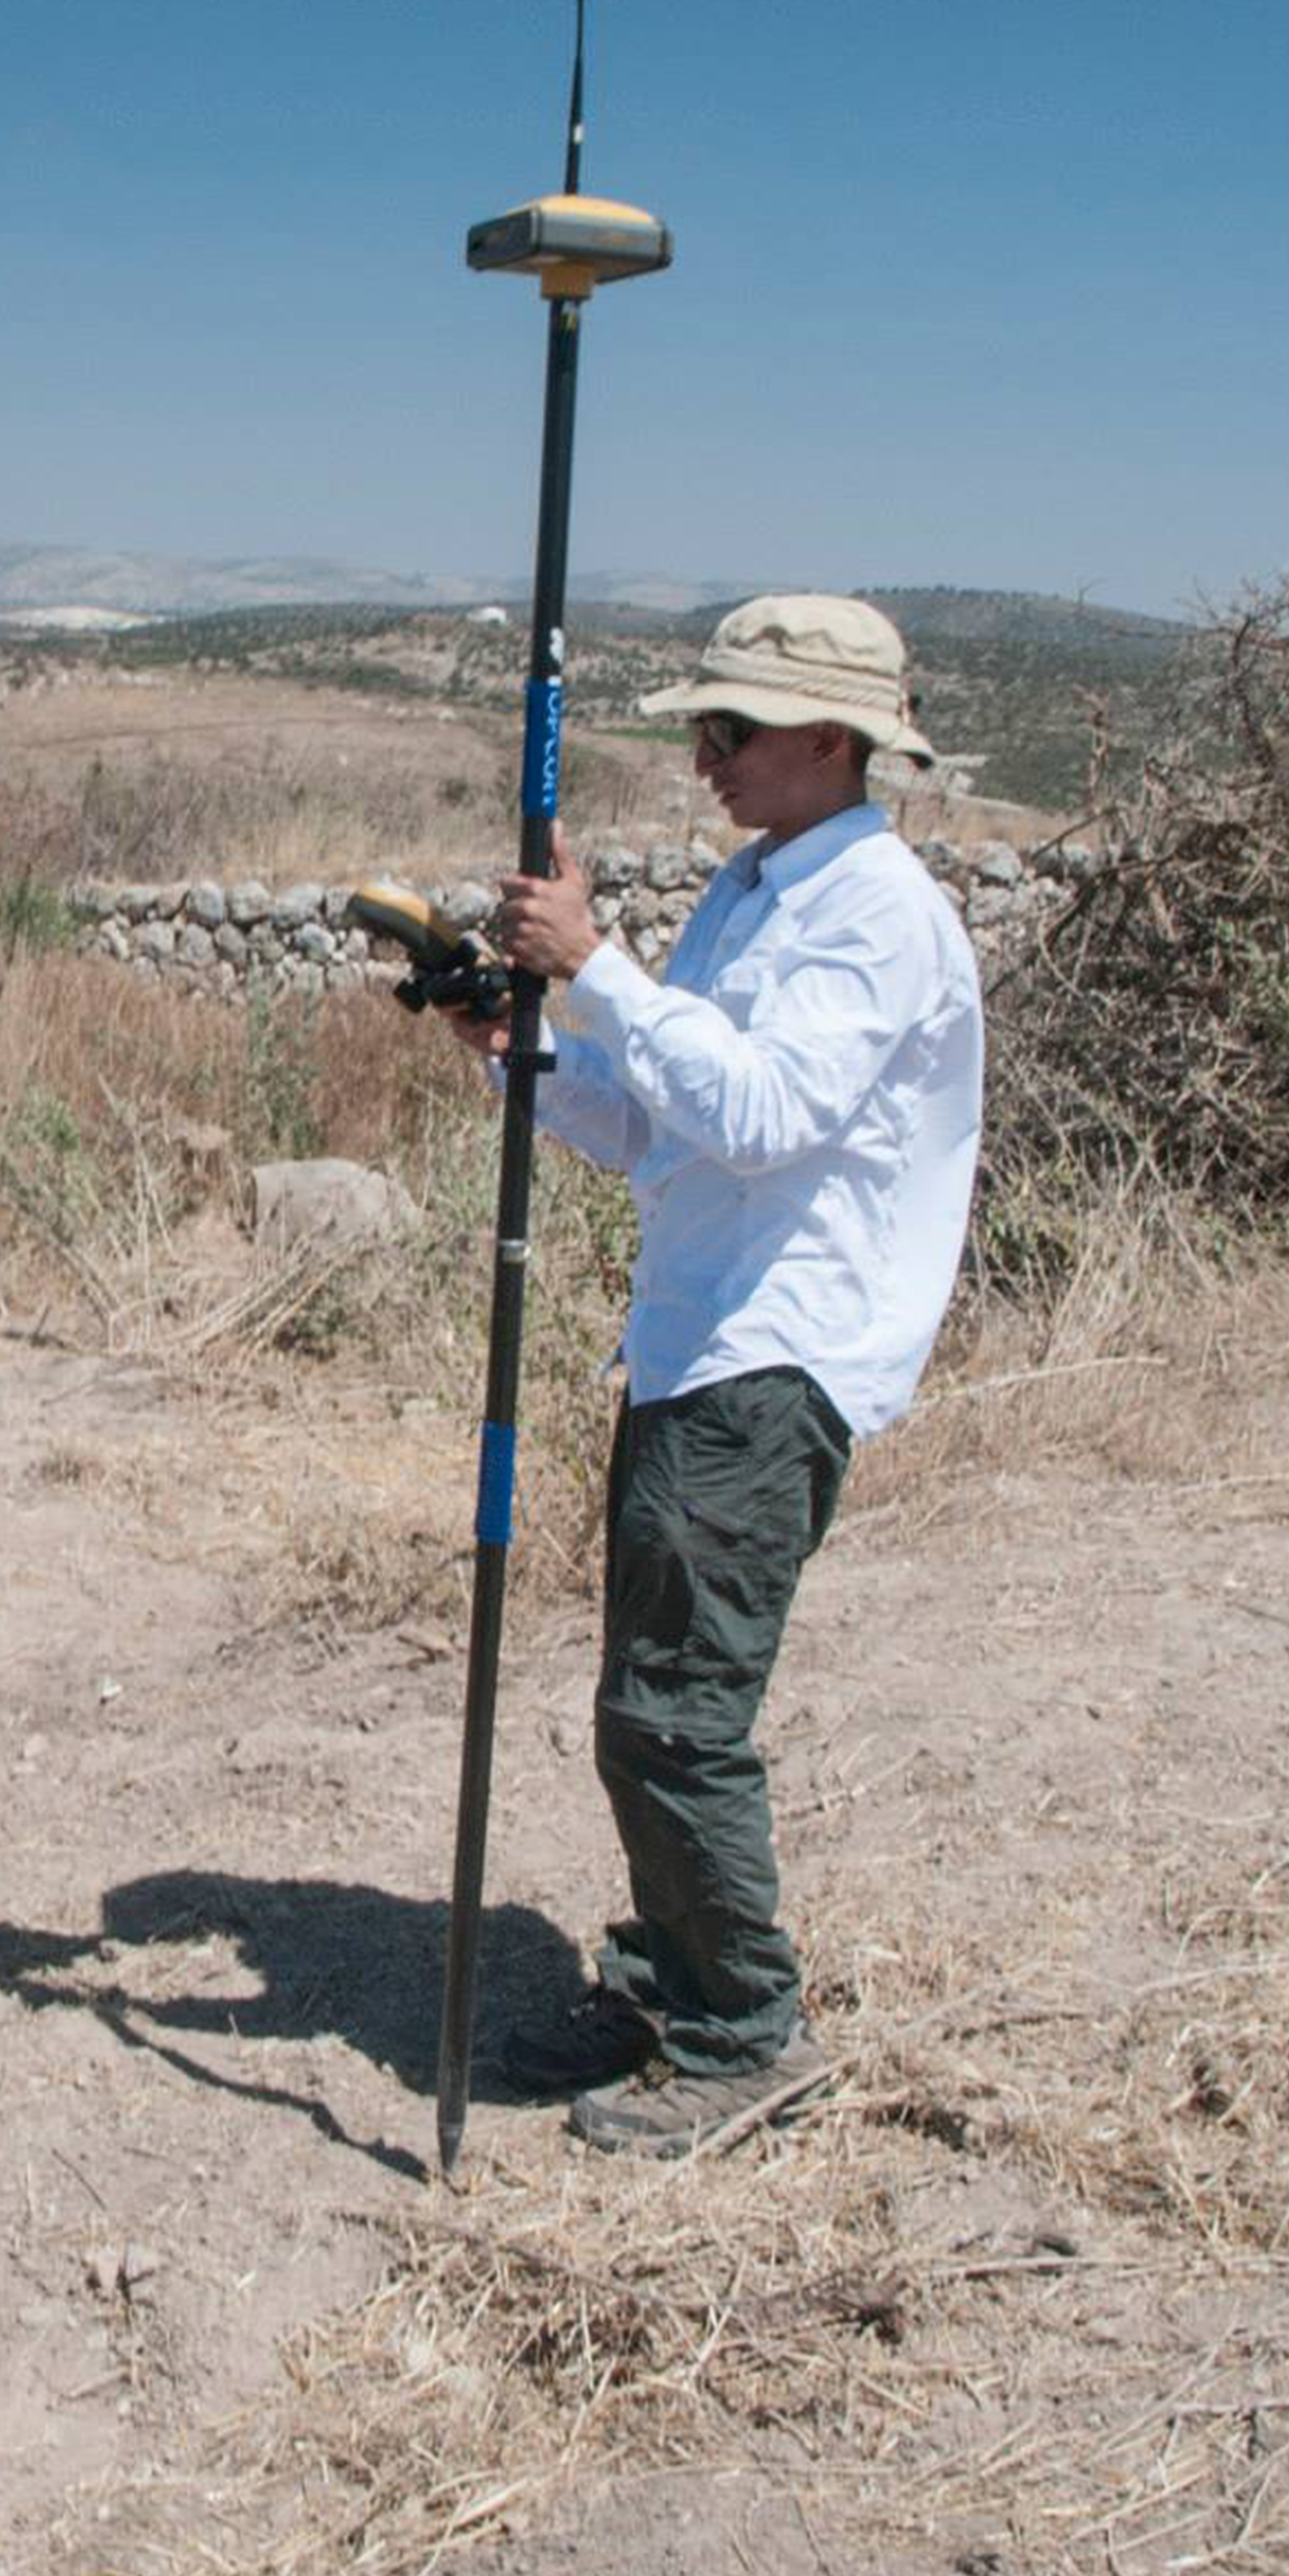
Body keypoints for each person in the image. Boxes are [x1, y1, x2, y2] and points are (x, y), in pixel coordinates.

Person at [448, 595, 984, 2157]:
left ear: (833, 738)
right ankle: (667, 1984)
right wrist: (518, 1048)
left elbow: (761, 1115)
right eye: (703, 725)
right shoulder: (754, 895)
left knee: (676, 1714)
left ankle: (747, 2028)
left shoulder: (878, 913)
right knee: (646, 1701)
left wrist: (597, 965)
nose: (706, 757)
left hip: (777, 1352)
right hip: (694, 1340)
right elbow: (653, 1124)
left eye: (732, 728)